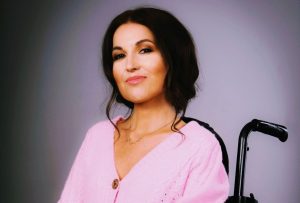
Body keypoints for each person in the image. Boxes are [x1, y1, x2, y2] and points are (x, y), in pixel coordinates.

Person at [58, 7, 229, 203]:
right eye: (119, 55)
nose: (130, 65)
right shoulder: (97, 136)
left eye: (145, 50)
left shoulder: (200, 147)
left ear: (173, 58)